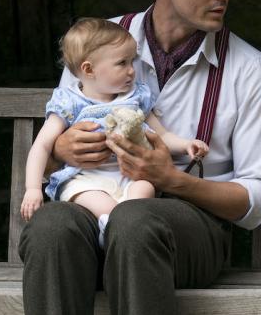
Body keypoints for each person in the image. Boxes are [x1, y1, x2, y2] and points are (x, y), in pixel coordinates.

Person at [19, 0, 261, 315]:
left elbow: (257, 202)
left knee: (136, 222)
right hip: (95, 208)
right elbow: (55, 145)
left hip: (190, 232)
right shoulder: (94, 43)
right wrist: (62, 151)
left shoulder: (249, 69)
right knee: (52, 227)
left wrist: (172, 180)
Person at [19, 17, 210, 248]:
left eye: (132, 61)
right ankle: (110, 229)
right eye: (122, 63)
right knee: (100, 204)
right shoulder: (69, 102)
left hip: (131, 175)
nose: (132, 71)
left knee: (144, 190)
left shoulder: (136, 97)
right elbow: (42, 146)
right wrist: (32, 189)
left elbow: (160, 136)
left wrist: (186, 145)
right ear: (89, 69)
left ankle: (120, 231)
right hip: (86, 179)